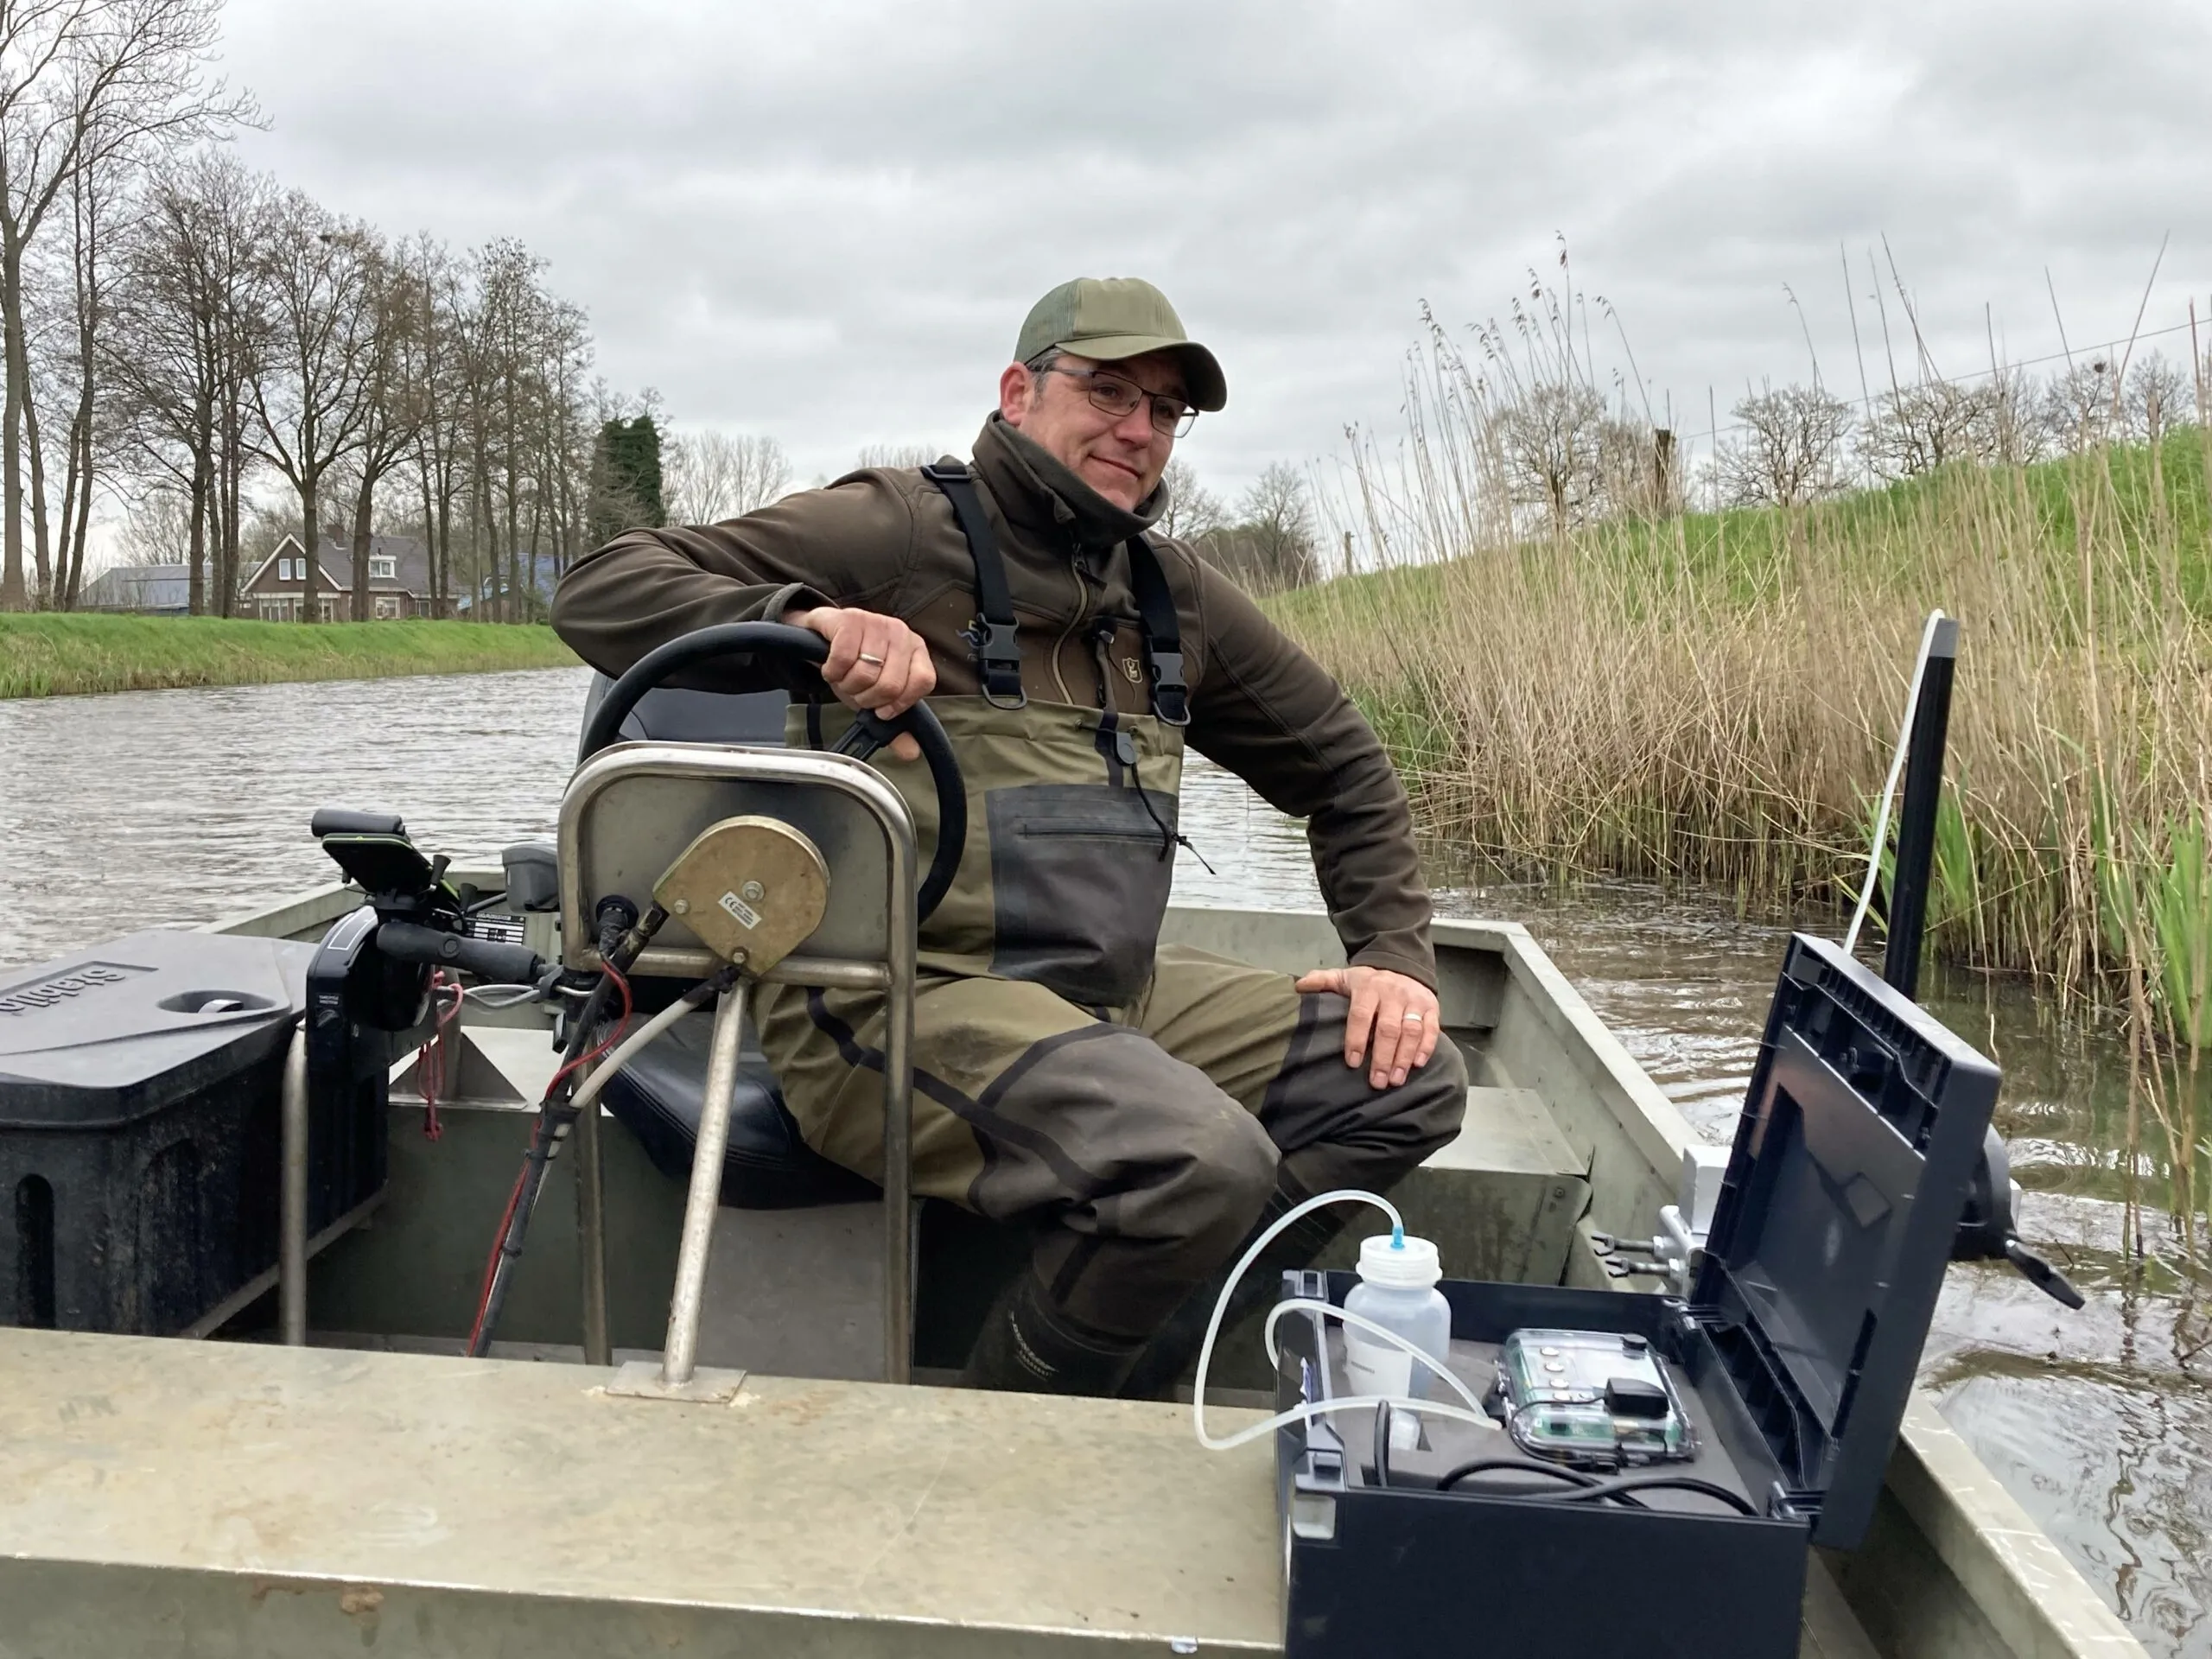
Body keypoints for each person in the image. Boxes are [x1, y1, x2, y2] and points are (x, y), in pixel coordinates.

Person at [551, 276, 1465, 1396]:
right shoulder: (897, 526)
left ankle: (1143, 1352)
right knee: (1199, 1157)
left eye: (1166, 409)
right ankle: (1012, 1424)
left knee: (1405, 1081)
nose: (1138, 429)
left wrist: (1392, 959)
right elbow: (604, 587)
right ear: (1019, 390)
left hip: (1099, 1001)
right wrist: (804, 621)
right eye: (1109, 389)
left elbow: (1347, 768)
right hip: (883, 1001)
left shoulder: (1172, 595)